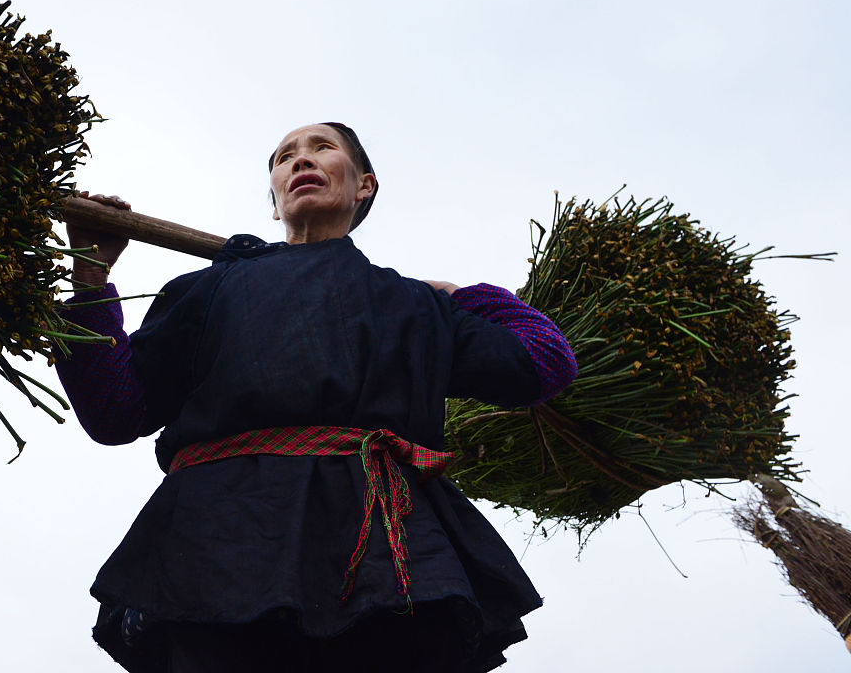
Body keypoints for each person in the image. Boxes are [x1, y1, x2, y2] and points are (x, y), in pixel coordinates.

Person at [56, 123, 577, 673]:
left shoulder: (414, 307)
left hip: (381, 550)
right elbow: (114, 410)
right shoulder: (204, 291)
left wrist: (464, 295)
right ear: (275, 201)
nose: (301, 160)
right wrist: (90, 277)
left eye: (322, 148)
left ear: (364, 185)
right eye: (285, 157)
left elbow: (545, 362)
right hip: (219, 539)